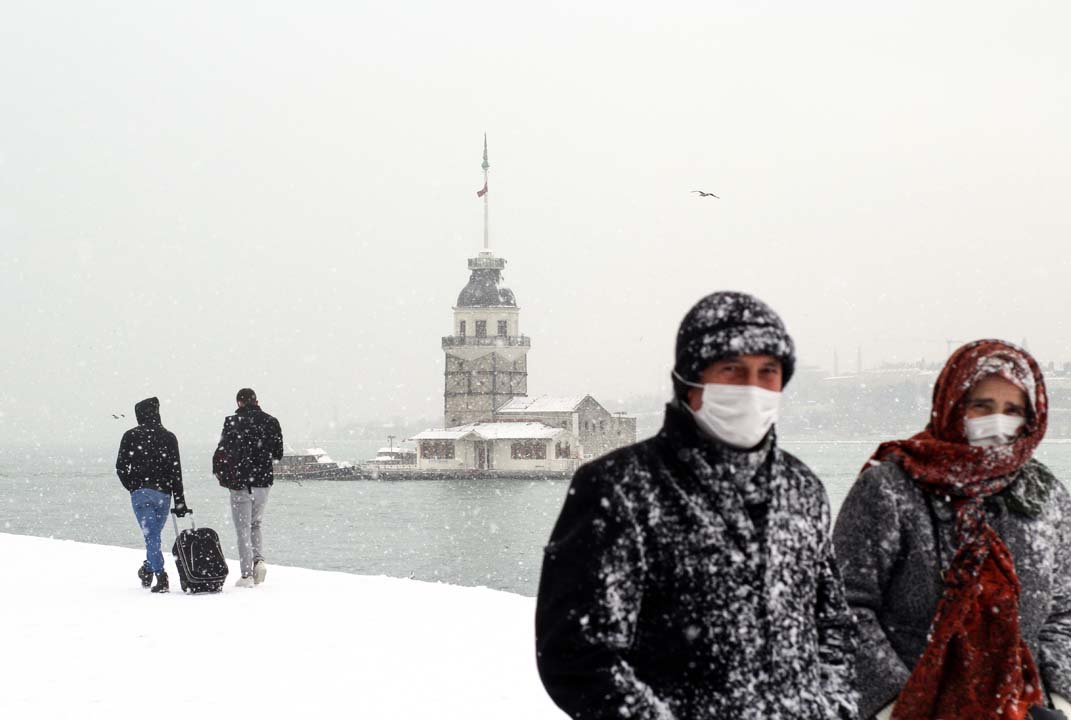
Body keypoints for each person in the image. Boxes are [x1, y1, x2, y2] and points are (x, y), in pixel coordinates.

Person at [535, 291, 858, 720]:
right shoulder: (620, 489)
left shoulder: (803, 489)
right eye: (732, 370)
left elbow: (832, 624)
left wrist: (833, 707)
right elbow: (577, 655)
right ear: (691, 382)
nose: (752, 388)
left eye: (768, 372)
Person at [833, 340, 1071, 720]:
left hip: (1021, 710)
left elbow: (1064, 610)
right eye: (982, 405)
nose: (998, 421)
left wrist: (1058, 701)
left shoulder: (1046, 497)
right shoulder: (891, 488)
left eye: (1013, 410)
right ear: (953, 404)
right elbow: (843, 606)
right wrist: (894, 705)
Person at [116, 396, 189, 593]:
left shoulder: (130, 436)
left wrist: (132, 485)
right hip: (164, 494)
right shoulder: (169, 437)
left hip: (141, 493)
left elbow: (121, 467)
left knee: (152, 537)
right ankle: (159, 573)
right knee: (153, 537)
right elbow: (176, 471)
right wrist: (180, 500)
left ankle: (151, 570)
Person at [214, 388, 283, 589]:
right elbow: (278, 453)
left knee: (242, 529)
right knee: (256, 524)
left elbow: (222, 452)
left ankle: (246, 575)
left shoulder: (232, 422)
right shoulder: (271, 421)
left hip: (240, 483)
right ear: (257, 401)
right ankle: (259, 561)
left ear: (239, 403)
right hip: (263, 481)